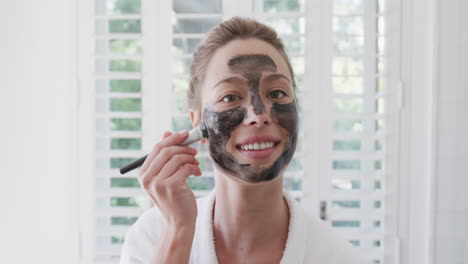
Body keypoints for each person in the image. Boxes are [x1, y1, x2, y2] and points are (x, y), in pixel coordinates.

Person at [120, 17, 364, 264]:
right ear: (197, 124)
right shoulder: (151, 239)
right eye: (230, 97)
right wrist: (178, 232)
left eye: (277, 93)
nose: (259, 116)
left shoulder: (337, 256)